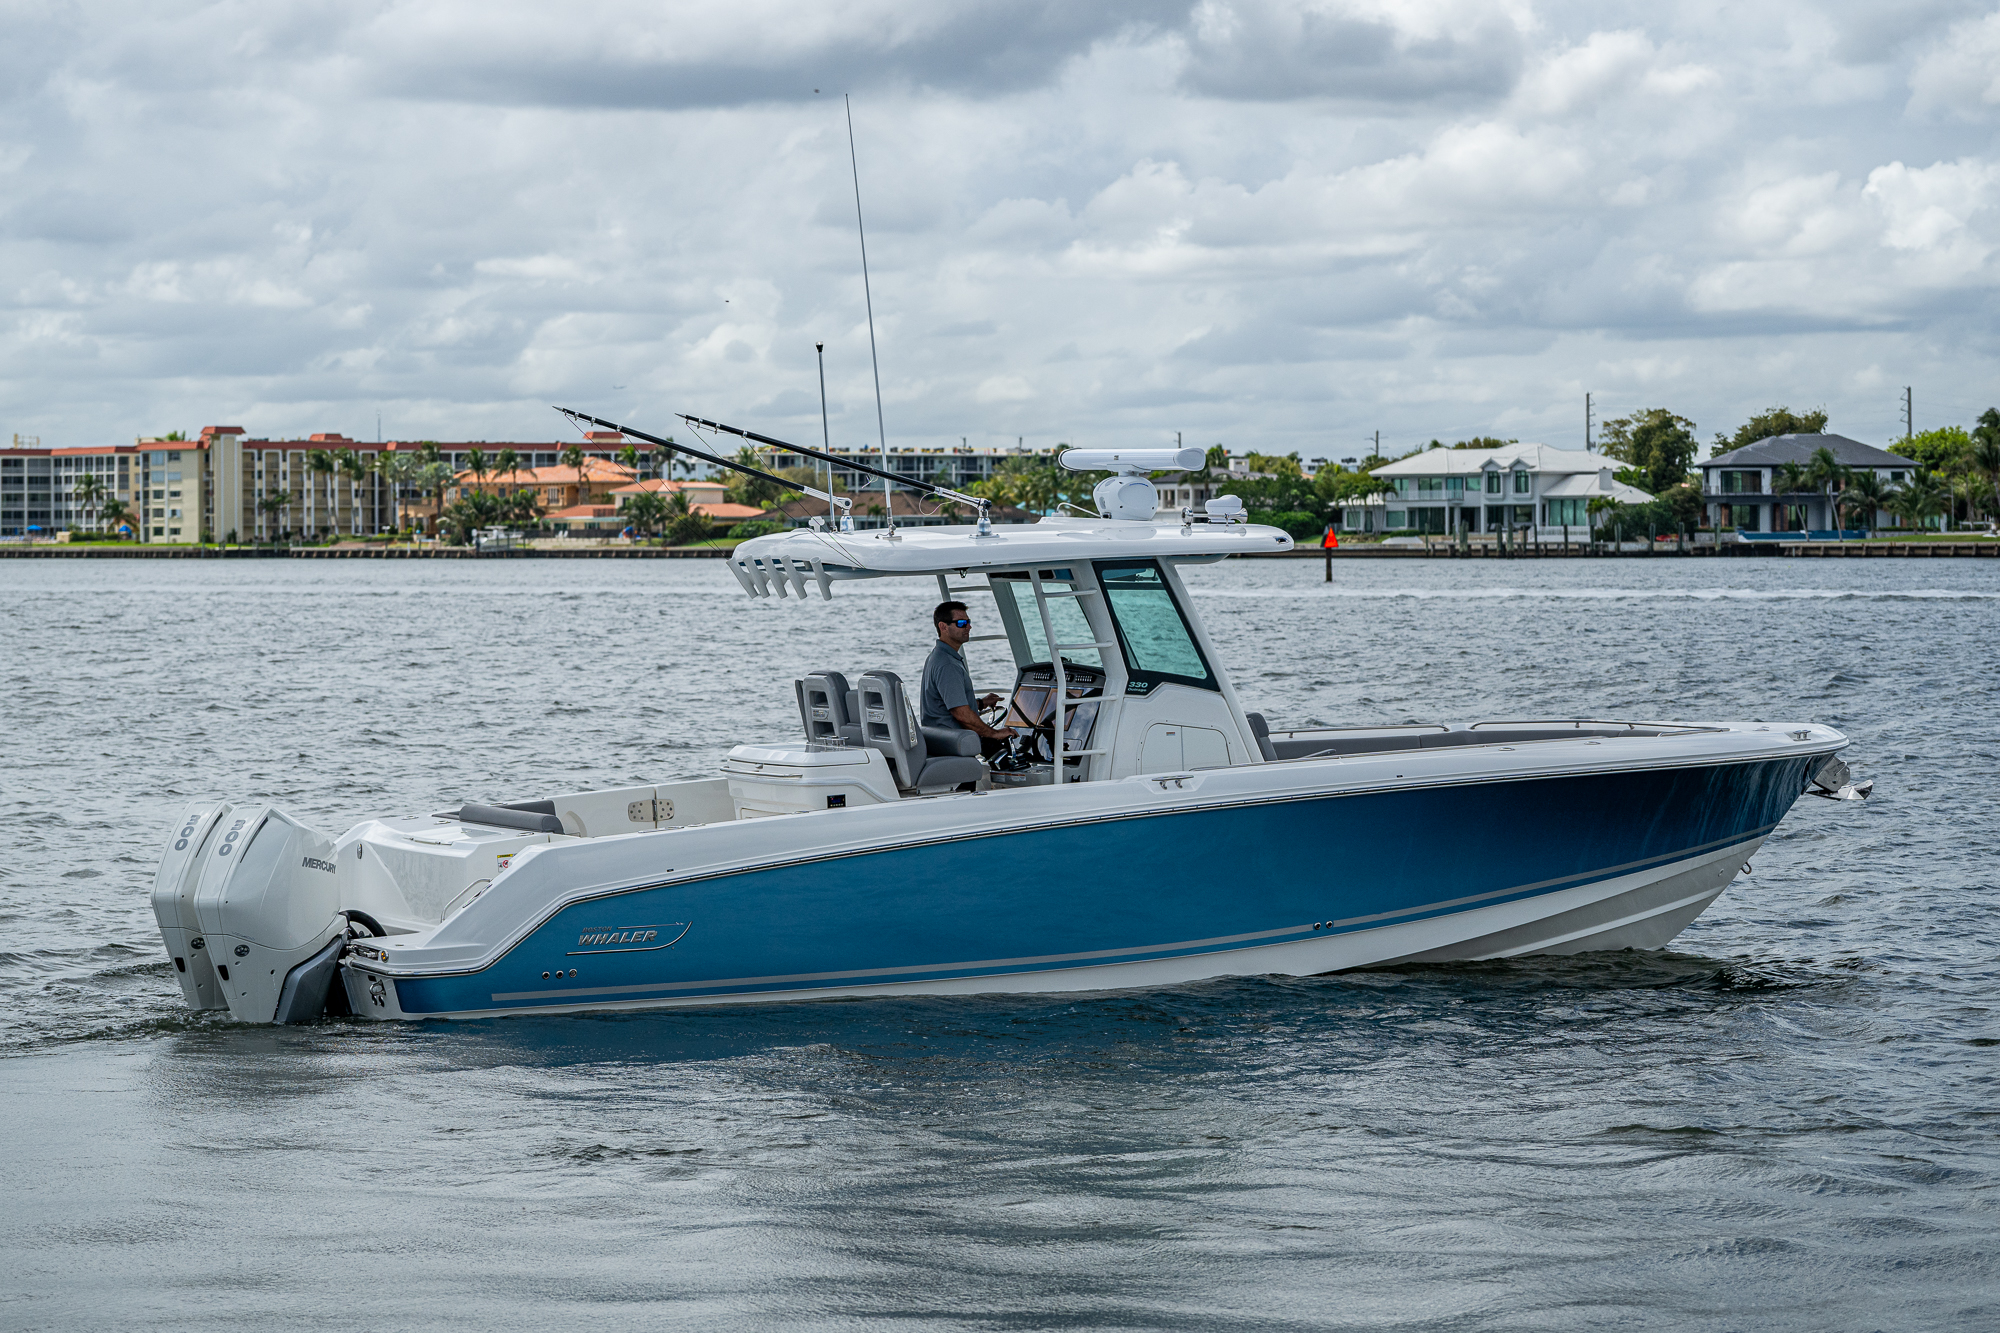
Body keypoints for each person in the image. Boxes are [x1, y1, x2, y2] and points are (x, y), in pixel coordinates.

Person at [921, 601, 1013, 758]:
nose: (969, 627)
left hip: (940, 740)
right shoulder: (947, 664)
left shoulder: (938, 656)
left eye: (968, 622)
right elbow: (961, 714)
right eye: (962, 623)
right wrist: (994, 733)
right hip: (952, 746)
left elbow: (945, 704)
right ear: (943, 627)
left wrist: (981, 703)